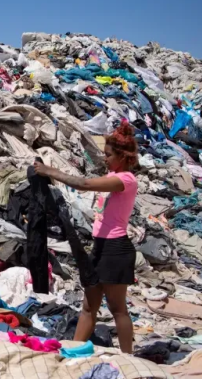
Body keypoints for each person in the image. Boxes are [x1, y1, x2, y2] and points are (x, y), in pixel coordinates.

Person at [33, 122, 138, 353]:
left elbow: (84, 184)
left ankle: (128, 357)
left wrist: (50, 171)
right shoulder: (113, 175)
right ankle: (72, 351)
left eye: (109, 155)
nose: (105, 159)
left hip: (116, 249)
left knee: (118, 309)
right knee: (89, 307)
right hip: (100, 248)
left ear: (122, 157)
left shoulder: (126, 180)